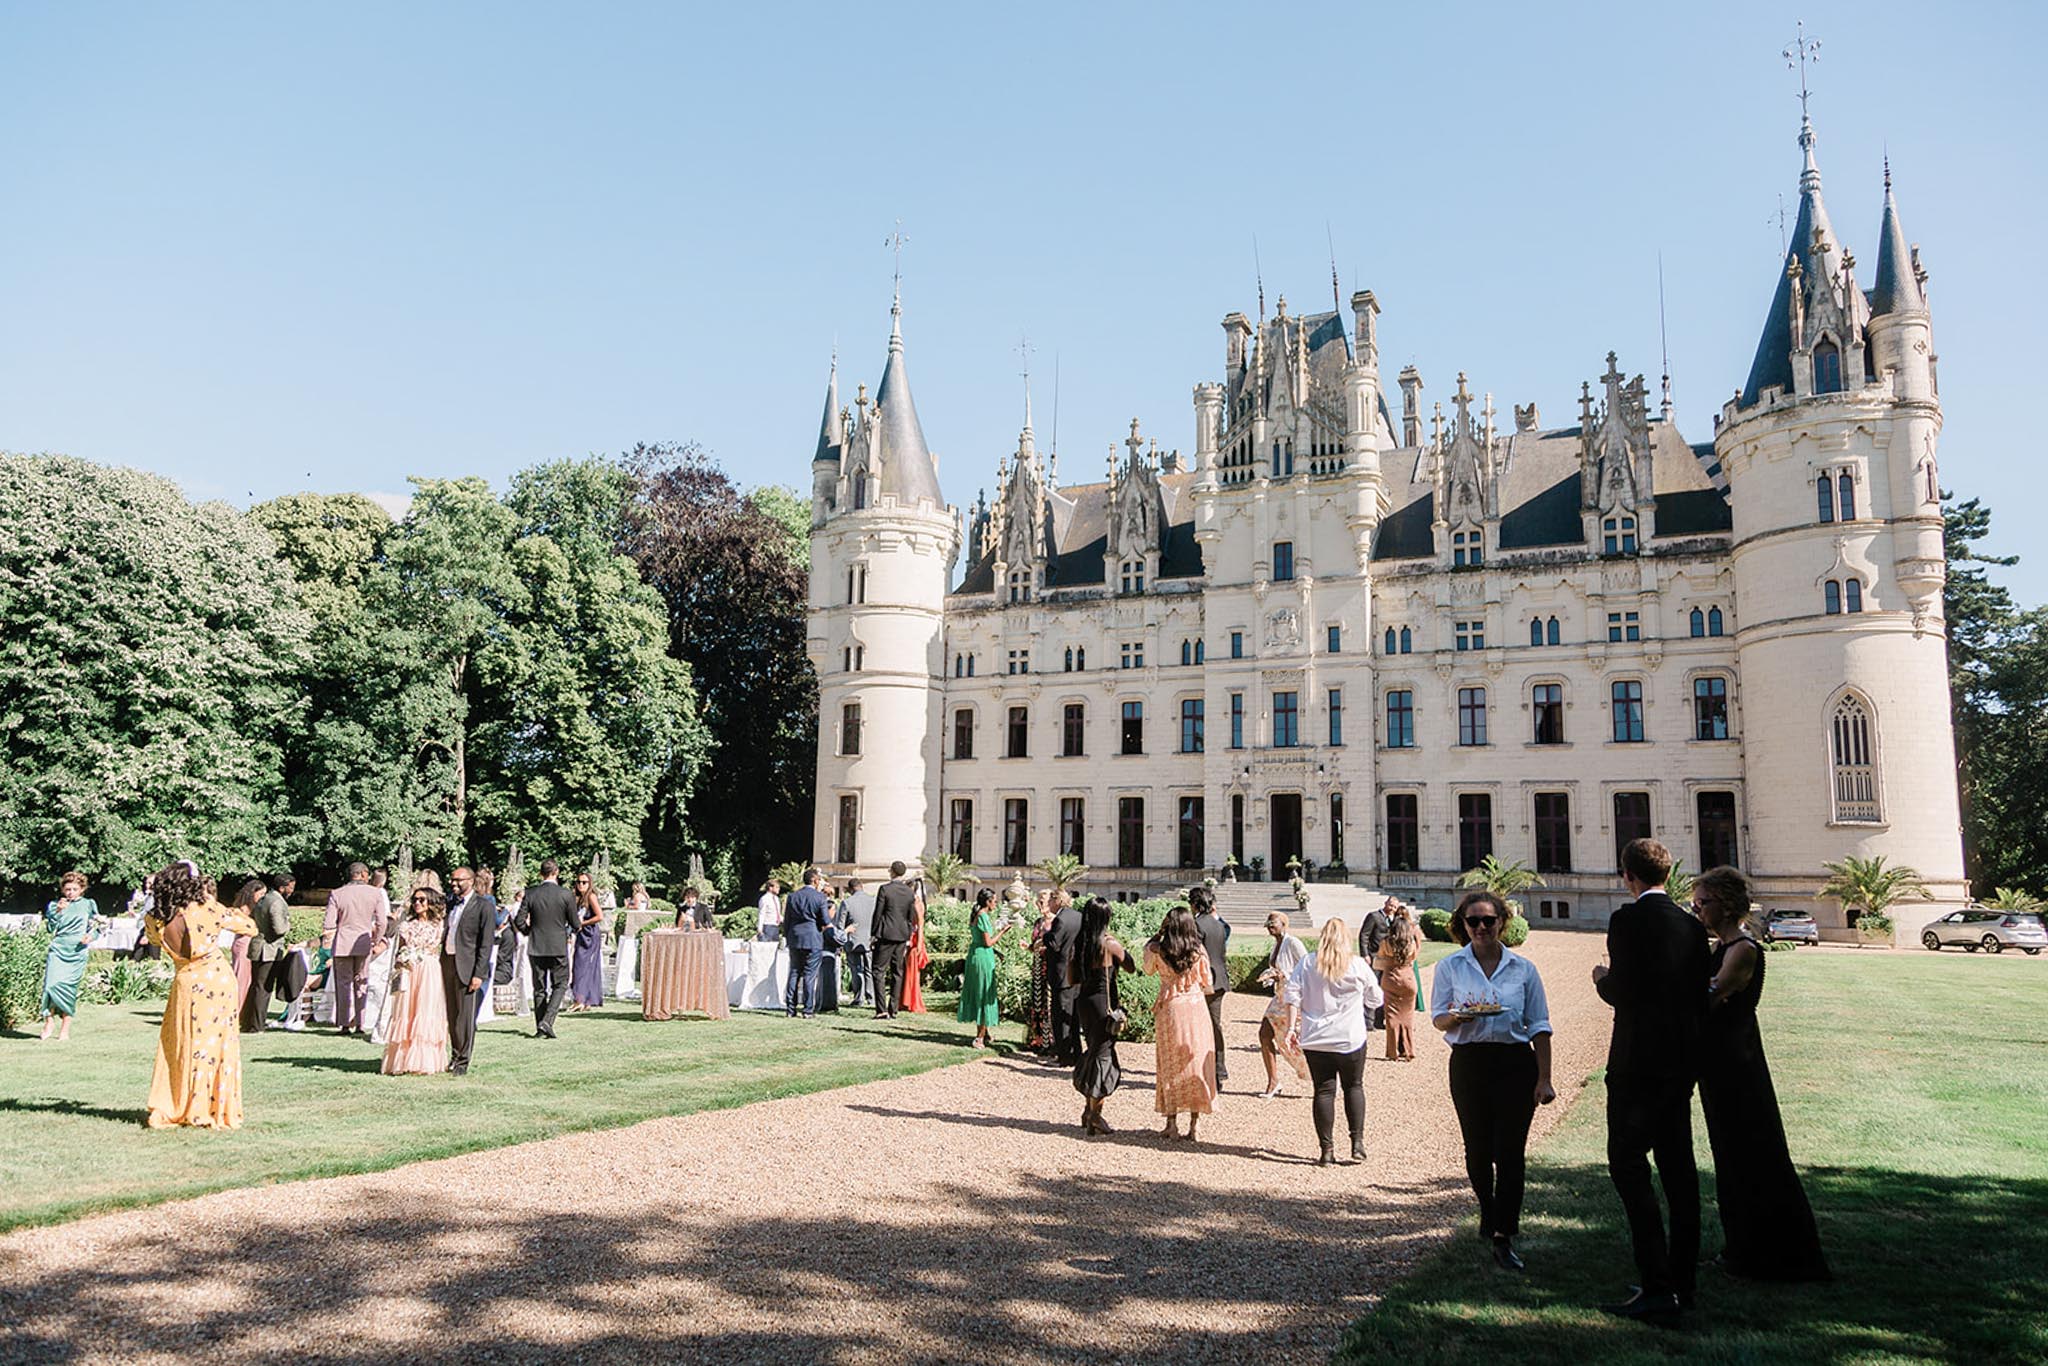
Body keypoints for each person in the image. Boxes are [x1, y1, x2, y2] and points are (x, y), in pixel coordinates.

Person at [1593, 837, 1713, 1324]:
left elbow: (1625, 992)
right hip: (1679, 1063)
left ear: (1628, 875)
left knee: (1626, 1165)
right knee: (1680, 1171)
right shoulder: (1690, 924)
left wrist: (1602, 979)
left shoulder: (1627, 921)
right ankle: (1682, 1279)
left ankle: (1657, 1283)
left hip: (1636, 1062)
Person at [1693, 866, 1831, 1282]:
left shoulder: (1743, 949)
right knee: (1731, 1158)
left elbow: (1710, 1000)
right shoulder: (1721, 946)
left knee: (1754, 1154)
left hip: (1738, 1062)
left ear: (1726, 904)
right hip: (1721, 1060)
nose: (1697, 910)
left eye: (1703, 903)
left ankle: (1776, 1253)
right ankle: (1744, 1249)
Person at [1431, 890, 1557, 1271]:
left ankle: (1504, 1234)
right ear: (1462, 925)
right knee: (1477, 1150)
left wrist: (1545, 1078)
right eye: (1474, 921)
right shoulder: (1451, 967)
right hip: (1470, 1062)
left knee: (1510, 1153)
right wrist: (1457, 1018)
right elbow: (1438, 1018)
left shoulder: (1523, 969)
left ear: (1502, 922)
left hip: (1516, 1063)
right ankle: (1488, 1209)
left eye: (1489, 920)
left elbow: (1540, 1026)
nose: (1482, 927)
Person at [144, 861, 259, 1128]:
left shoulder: (155, 917)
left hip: (184, 980)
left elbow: (152, 941)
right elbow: (248, 927)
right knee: (213, 1045)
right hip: (214, 980)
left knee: (182, 1043)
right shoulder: (206, 908)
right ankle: (205, 1106)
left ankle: (179, 1103)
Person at [1281, 916, 1382, 1165]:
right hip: (1350, 1037)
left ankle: (1327, 1150)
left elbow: (1292, 995)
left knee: (1324, 1090)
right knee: (1354, 1086)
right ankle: (1357, 1143)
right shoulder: (1357, 965)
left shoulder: (1308, 963)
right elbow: (1376, 999)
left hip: (1316, 1037)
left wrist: (1292, 1027)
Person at [1145, 904, 1217, 1140]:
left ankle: (1171, 1122)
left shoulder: (1157, 948)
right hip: (1195, 1006)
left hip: (1171, 1007)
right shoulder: (1198, 951)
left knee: (1170, 1063)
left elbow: (1147, 970)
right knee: (1195, 1063)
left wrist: (1157, 935)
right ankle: (1194, 1126)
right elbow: (1208, 984)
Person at [1071, 897, 1136, 1136]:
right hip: (1103, 1004)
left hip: (1084, 1002)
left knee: (1094, 1051)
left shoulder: (1081, 943)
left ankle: (1088, 1109)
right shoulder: (1108, 944)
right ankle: (1095, 1115)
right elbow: (1131, 966)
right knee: (1103, 1057)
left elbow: (1072, 978)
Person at [381, 885, 452, 1075]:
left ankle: (425, 1061)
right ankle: (402, 1060)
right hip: (410, 970)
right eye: (415, 900)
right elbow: (399, 949)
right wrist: (401, 960)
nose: (418, 903)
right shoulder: (407, 925)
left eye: (422, 900)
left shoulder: (440, 925)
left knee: (425, 1010)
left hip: (429, 969)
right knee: (406, 1012)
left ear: (431, 903)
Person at [323, 862, 387, 1038]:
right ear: (364, 874)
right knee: (362, 981)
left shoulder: (337, 894)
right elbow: (382, 922)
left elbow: (328, 923)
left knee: (343, 984)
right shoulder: (375, 893)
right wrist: (376, 939)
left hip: (343, 942)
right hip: (364, 942)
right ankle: (360, 1022)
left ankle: (344, 1023)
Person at [515, 860, 578, 1038]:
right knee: (560, 984)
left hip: (536, 945)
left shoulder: (531, 893)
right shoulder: (565, 894)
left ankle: (540, 1027)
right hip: (558, 945)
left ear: (541, 873)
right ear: (556, 872)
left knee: (539, 988)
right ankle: (547, 1021)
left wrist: (529, 931)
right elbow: (575, 922)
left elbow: (519, 920)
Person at [442, 866, 495, 1075]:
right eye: (452, 880)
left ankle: (463, 1061)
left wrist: (478, 974)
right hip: (448, 963)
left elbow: (486, 944)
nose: (454, 884)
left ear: (471, 881)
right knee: (452, 1014)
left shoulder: (483, 906)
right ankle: (454, 1055)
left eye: (459, 880)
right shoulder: (450, 904)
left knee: (465, 1017)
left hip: (468, 967)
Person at [1256, 911, 1310, 1098]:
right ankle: (1273, 1082)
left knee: (1299, 1041)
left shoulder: (1293, 942)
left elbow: (1306, 967)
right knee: (1264, 1034)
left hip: (1293, 998)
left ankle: (1324, 1077)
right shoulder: (1276, 945)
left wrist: (1283, 976)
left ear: (1284, 924)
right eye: (1268, 924)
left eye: (1273, 924)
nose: (1270, 927)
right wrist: (1271, 978)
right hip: (1279, 997)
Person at [37, 872, 97, 1043]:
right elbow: (50, 928)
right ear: (62, 889)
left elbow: (97, 926)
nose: (70, 892)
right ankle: (48, 1021)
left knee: (69, 990)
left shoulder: (88, 904)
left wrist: (90, 937)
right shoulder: (55, 905)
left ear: (82, 889)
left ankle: (65, 1029)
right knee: (51, 985)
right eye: (67, 889)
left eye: (74, 889)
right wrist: (57, 912)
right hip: (58, 949)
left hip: (77, 951)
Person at [958, 887, 1013, 1047]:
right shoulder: (983, 916)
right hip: (982, 959)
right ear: (988, 902)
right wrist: (1003, 931)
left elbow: (981, 942)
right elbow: (988, 942)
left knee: (980, 992)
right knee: (983, 995)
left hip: (977, 955)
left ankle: (986, 1033)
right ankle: (979, 1037)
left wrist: (996, 952)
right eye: (994, 901)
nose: (996, 903)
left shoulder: (977, 915)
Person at [1189, 885, 1232, 1085]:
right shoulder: (1218, 924)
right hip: (1220, 979)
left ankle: (1206, 1070)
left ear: (1195, 904)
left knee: (1201, 1026)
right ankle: (1218, 1070)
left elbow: (1194, 956)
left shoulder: (1197, 925)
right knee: (1215, 1026)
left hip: (1205, 981)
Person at [869, 861, 923, 1019]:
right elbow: (910, 915)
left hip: (886, 934)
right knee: (897, 972)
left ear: (892, 872)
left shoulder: (885, 889)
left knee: (878, 971)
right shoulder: (908, 892)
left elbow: (878, 913)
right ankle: (893, 1009)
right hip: (901, 935)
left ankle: (881, 1009)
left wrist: (874, 934)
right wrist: (907, 934)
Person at [241, 873, 294, 1033]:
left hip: (257, 946)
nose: (292, 891)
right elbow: (279, 928)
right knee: (264, 988)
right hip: (268, 949)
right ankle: (257, 1025)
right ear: (282, 887)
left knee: (256, 987)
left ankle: (247, 1022)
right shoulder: (277, 902)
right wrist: (288, 925)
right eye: (291, 887)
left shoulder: (265, 898)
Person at [781, 868, 831, 1017]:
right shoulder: (820, 898)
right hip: (813, 938)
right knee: (810, 975)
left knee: (794, 973)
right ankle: (808, 1010)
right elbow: (825, 921)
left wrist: (788, 936)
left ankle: (791, 1009)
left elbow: (787, 920)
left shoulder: (792, 896)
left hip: (795, 938)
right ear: (815, 881)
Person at [1042, 890, 1082, 1063]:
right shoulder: (1078, 916)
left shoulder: (1060, 919)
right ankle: (1076, 1050)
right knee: (1073, 1015)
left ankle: (1064, 1055)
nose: (1049, 903)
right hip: (1075, 972)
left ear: (1058, 900)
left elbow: (1054, 943)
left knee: (1060, 1015)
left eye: (1051, 899)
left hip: (1061, 973)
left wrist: (1045, 935)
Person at [1379, 904, 1422, 1062]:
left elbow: (1380, 958)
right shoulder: (1410, 944)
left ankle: (1393, 1051)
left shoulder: (1386, 942)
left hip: (1390, 978)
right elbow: (1414, 957)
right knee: (1408, 1016)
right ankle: (1408, 1050)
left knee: (1391, 1016)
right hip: (1408, 978)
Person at [568, 872, 605, 1011]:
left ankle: (582, 999)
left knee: (583, 966)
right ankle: (584, 999)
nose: (581, 885)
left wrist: (583, 923)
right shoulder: (578, 898)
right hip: (582, 935)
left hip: (590, 934)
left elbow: (599, 916)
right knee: (579, 966)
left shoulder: (591, 896)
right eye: (578, 882)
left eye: (584, 882)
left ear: (590, 884)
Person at [1356, 897, 1393, 1030]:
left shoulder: (1393, 920)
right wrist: (1365, 954)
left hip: (1386, 958)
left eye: (1395, 907)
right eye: (1391, 905)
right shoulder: (1374, 916)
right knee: (1372, 986)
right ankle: (1368, 1021)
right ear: (1386, 903)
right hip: (1374, 956)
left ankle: (1379, 1020)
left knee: (1383, 987)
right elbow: (1364, 935)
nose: (1392, 908)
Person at [1025, 892, 1056, 1050]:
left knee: (1048, 1003)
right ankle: (1036, 1039)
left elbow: (1056, 945)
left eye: (1042, 901)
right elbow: (1034, 945)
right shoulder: (1038, 922)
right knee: (1037, 1002)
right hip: (1037, 966)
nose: (1039, 904)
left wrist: (1042, 947)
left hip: (1049, 966)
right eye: (1038, 901)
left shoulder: (1056, 922)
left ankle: (1049, 1041)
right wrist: (1028, 947)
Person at [839, 877, 875, 1008]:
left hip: (853, 940)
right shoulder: (873, 901)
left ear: (850, 889)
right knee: (869, 969)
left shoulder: (847, 903)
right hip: (870, 941)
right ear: (861, 886)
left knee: (856, 970)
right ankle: (871, 998)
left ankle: (858, 997)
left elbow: (840, 925)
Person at [756, 878, 784, 942]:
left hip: (776, 927)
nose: (778, 889)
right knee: (768, 947)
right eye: (776, 887)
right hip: (768, 926)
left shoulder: (776, 899)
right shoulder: (764, 899)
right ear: (770, 888)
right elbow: (762, 913)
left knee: (775, 947)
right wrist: (760, 929)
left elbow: (777, 913)